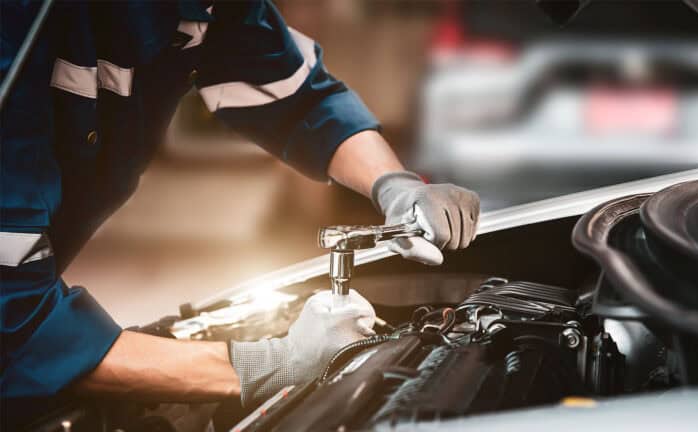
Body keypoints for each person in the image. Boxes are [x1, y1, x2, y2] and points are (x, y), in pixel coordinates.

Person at [0, 0, 480, 425]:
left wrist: (394, 186)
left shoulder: (208, 7)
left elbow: (300, 98)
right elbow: (18, 330)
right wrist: (274, 364)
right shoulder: (19, 26)